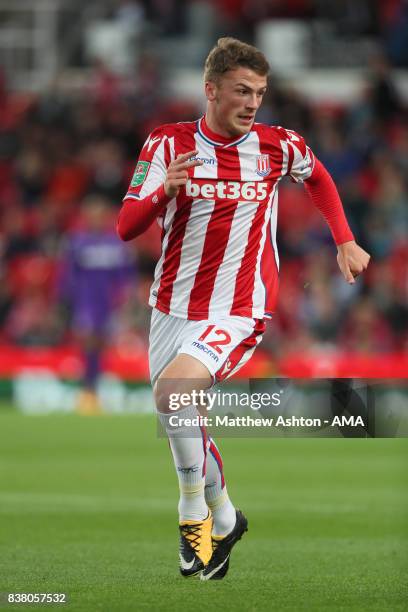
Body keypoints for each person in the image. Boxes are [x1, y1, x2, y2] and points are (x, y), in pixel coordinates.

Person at [117, 37, 370, 580]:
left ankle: (192, 517)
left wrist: (344, 239)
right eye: (241, 90)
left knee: (175, 393)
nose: (252, 102)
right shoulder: (166, 144)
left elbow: (319, 176)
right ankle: (226, 516)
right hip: (171, 307)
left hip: (239, 307)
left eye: (259, 92)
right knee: (179, 414)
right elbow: (126, 227)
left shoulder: (278, 146)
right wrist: (165, 191)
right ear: (211, 91)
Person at [59, 194, 135, 413]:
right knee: (89, 343)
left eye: (99, 215)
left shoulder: (116, 244)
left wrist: (125, 300)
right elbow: (67, 276)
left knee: (101, 346)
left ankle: (94, 391)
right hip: (85, 301)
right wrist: (65, 301)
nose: (96, 219)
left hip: (108, 303)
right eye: (91, 215)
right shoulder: (76, 242)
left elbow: (125, 277)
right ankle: (88, 391)